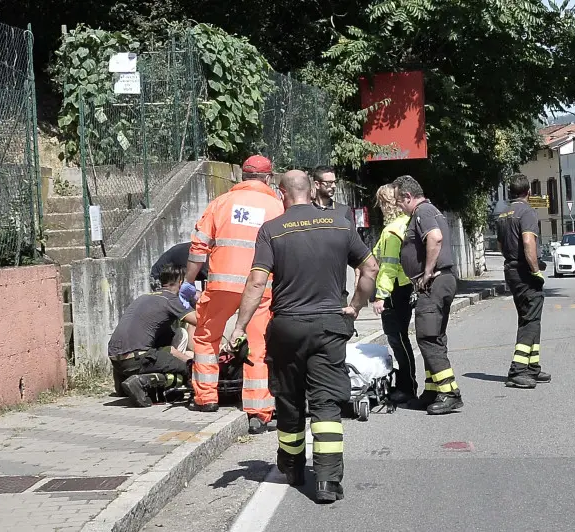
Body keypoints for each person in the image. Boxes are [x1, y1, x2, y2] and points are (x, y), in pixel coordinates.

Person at [229, 170, 378, 503]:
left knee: (289, 399)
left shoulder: (272, 230)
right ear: (312, 191)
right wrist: (355, 305)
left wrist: (240, 326)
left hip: (288, 327)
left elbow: (256, 282)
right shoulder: (341, 223)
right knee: (326, 402)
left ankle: (293, 468)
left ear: (282, 193)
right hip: (328, 325)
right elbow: (370, 268)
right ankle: (327, 481)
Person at [181, 155, 284, 434]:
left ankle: (206, 399)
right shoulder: (276, 206)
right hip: (260, 287)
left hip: (221, 286)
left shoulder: (221, 203)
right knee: (258, 344)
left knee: (205, 336)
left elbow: (198, 247)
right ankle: (258, 411)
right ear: (268, 178)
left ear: (242, 175)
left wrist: (189, 282)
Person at [392, 175, 463, 415]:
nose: (398, 207)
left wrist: (427, 272)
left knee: (427, 337)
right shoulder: (429, 211)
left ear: (408, 197)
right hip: (440, 281)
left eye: (399, 202)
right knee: (435, 336)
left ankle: (449, 392)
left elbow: (435, 237)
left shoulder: (423, 212)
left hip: (434, 282)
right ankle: (432, 390)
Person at [108, 264, 196, 407]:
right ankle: (142, 381)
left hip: (116, 361)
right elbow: (199, 321)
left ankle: (123, 383)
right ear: (181, 283)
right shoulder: (171, 300)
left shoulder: (144, 297)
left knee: (170, 343)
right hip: (138, 358)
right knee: (186, 369)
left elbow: (166, 345)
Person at [494, 174, 551, 389]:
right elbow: (528, 242)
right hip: (525, 271)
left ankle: (532, 367)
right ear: (528, 192)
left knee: (529, 317)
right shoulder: (527, 212)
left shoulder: (503, 214)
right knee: (530, 319)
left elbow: (500, 246)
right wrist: (535, 270)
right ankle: (518, 370)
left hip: (511, 269)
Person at [371, 184, 417, 405]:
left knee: (397, 339)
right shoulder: (406, 224)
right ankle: (408, 383)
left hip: (394, 290)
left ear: (385, 204)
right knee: (401, 339)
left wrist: (380, 296)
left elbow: (387, 266)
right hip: (406, 286)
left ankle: (407, 386)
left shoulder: (391, 231)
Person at [312, 165, 358, 304]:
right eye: (328, 183)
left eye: (334, 182)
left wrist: (358, 272)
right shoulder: (306, 211)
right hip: (310, 287)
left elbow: (353, 245)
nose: (333, 186)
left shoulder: (343, 211)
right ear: (317, 184)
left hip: (337, 289)